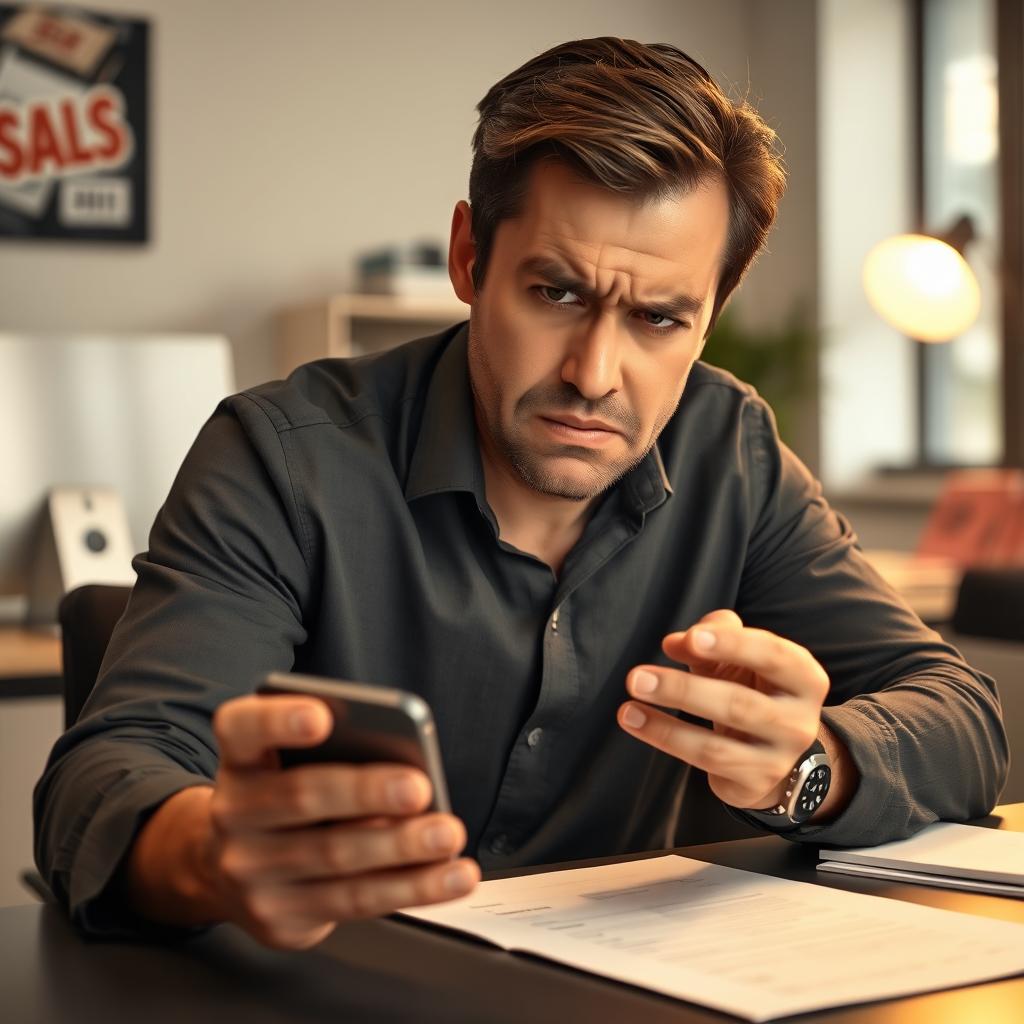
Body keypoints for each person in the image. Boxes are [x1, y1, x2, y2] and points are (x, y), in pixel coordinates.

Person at [34, 36, 1007, 952]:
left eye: (660, 317)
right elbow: (109, 773)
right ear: (469, 258)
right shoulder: (284, 456)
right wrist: (211, 852)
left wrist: (811, 767)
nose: (594, 373)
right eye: (556, 293)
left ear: (707, 319)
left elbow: (960, 713)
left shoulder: (732, 450)